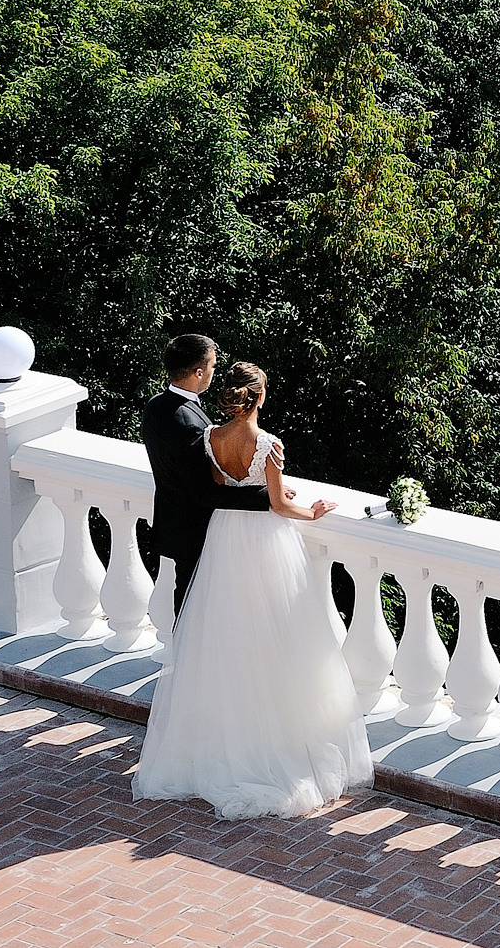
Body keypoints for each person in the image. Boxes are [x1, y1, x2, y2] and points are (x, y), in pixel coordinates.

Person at [133, 360, 373, 819]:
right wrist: (314, 511)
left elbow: (223, 486)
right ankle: (273, 736)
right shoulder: (268, 444)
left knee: (223, 631)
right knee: (277, 635)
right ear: (259, 397)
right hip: (263, 542)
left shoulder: (211, 437)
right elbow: (279, 503)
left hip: (222, 539)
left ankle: (225, 733)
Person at [139, 335, 274, 617]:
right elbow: (203, 492)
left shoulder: (154, 406)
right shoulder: (188, 421)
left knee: (188, 601)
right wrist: (268, 496)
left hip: (173, 521)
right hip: (196, 530)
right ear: (198, 372)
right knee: (196, 609)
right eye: (212, 365)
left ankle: (184, 658)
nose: (215, 371)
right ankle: (188, 659)